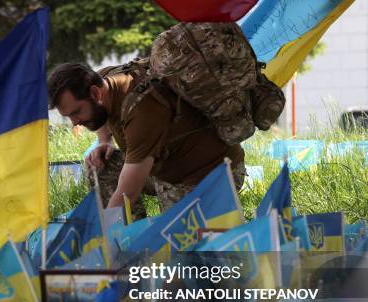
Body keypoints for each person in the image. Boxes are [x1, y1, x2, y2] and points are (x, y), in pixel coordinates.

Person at [47, 62, 246, 218]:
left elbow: (127, 195)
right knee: (102, 168)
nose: (75, 123)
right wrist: (104, 141)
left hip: (207, 174)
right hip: (165, 166)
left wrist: (100, 237)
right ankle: (130, 244)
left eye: (76, 112)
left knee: (177, 249)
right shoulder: (105, 80)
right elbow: (101, 114)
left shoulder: (142, 112)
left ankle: (128, 243)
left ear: (95, 93)